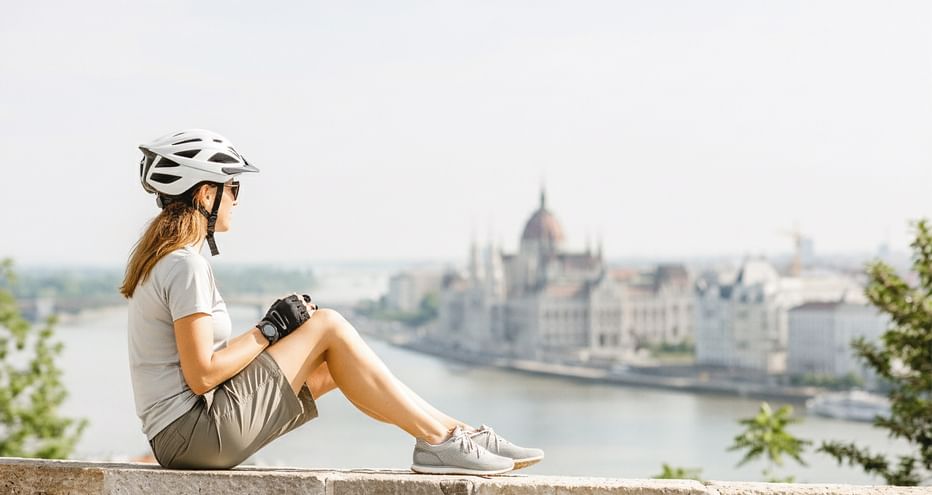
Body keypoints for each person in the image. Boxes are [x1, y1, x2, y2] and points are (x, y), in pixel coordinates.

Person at [120, 129, 544, 475]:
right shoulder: (185, 266)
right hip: (193, 437)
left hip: (184, 435)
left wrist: (278, 331)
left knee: (334, 363)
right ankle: (441, 441)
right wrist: (269, 329)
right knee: (328, 325)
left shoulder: (168, 261)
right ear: (205, 194)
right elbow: (202, 375)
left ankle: (454, 433)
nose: (236, 199)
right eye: (233, 187)